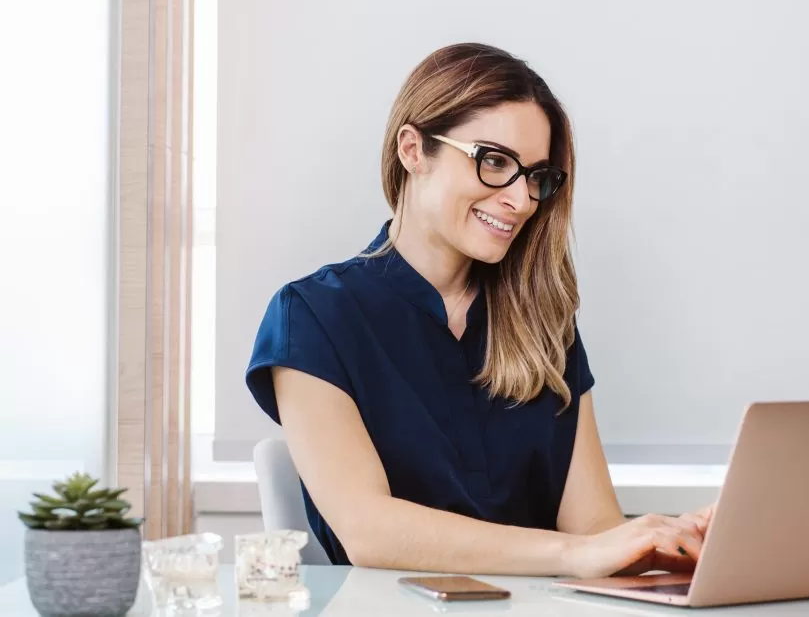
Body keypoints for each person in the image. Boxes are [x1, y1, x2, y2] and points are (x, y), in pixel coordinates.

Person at [245, 43, 714, 578]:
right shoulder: (312, 317)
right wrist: (573, 555)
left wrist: (675, 542)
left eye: (537, 176)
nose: (521, 200)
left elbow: (594, 529)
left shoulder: (544, 324)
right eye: (494, 162)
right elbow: (368, 531)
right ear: (413, 150)